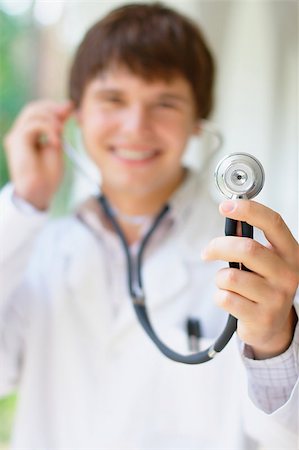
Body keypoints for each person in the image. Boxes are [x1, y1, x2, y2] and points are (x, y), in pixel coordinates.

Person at [1, 3, 298, 449]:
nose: (136, 126)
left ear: (198, 122)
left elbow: (283, 435)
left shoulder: (259, 265)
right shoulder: (34, 248)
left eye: (165, 103)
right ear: (76, 113)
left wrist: (276, 339)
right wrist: (24, 202)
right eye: (113, 99)